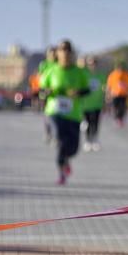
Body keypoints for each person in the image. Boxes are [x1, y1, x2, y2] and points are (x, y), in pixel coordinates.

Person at [40, 40, 90, 185]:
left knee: (73, 148)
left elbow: (87, 90)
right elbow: (41, 91)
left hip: (73, 114)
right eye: (62, 50)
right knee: (61, 140)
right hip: (55, 112)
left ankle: (66, 160)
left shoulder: (79, 72)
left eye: (68, 50)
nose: (65, 53)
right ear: (58, 53)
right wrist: (47, 92)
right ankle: (61, 172)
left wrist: (78, 92)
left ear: (72, 53)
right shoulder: (51, 71)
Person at [81, 55, 107, 151]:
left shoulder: (101, 75)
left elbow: (104, 88)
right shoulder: (84, 74)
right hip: (86, 104)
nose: (92, 65)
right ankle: (88, 141)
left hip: (97, 103)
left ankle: (95, 140)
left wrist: (105, 99)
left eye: (94, 63)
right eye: (90, 63)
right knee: (87, 123)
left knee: (95, 123)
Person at [106, 61, 128, 127]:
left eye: (121, 67)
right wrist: (108, 94)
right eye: (118, 67)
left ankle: (121, 119)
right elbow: (109, 85)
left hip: (124, 94)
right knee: (116, 107)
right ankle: (117, 118)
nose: (120, 68)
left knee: (123, 107)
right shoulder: (112, 74)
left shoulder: (126, 74)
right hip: (115, 94)